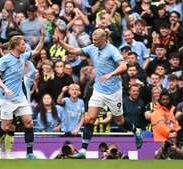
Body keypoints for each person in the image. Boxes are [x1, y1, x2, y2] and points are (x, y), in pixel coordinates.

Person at [56, 28, 143, 159]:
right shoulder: (92, 48)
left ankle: (136, 130)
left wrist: (111, 74)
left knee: (119, 121)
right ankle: (83, 152)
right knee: (89, 118)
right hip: (98, 90)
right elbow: (73, 50)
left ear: (104, 39)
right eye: (92, 39)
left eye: (95, 40)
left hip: (114, 92)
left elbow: (124, 66)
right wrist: (61, 42)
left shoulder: (112, 50)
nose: (93, 41)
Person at [0, 29, 45, 159]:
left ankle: (30, 153)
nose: (25, 46)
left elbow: (37, 51)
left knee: (28, 122)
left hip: (20, 97)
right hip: (6, 98)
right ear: (16, 46)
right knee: (5, 127)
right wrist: (5, 88)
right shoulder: (4, 60)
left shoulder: (22, 56)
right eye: (23, 44)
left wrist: (43, 37)